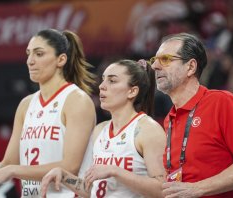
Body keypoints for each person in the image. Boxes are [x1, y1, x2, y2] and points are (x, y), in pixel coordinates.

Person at [0, 28, 96, 198]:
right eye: (28, 54)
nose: (30, 61)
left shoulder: (76, 100)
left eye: (39, 54)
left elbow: (70, 166)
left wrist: (11, 170)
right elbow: (10, 161)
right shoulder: (26, 104)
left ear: (61, 60)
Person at [150, 32, 233, 198]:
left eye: (165, 59)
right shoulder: (169, 119)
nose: (155, 66)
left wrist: (197, 189)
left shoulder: (221, 102)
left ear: (190, 67)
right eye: (154, 60)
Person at [40, 59, 166, 197]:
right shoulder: (99, 131)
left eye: (112, 81)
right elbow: (91, 189)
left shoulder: (148, 130)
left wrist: (115, 171)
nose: (101, 86)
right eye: (103, 79)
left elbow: (162, 190)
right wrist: (64, 176)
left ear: (132, 91)